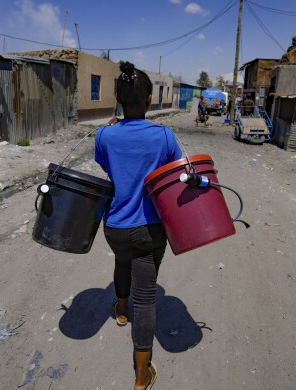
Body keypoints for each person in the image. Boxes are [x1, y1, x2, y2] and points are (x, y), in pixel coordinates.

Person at [95, 61, 182, 390]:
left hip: (115, 227)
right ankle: (141, 376)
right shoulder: (164, 136)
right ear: (149, 100)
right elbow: (175, 175)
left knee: (121, 261)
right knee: (146, 298)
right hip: (149, 229)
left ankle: (119, 309)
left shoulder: (104, 134)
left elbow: (108, 165)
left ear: (119, 100)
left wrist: (115, 130)